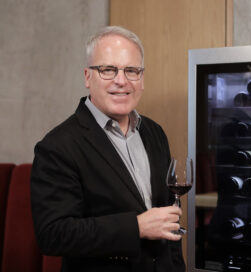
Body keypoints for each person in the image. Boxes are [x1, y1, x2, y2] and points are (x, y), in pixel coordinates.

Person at [30, 26, 185, 272]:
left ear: (142, 78)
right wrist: (136, 227)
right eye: (108, 70)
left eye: (131, 70)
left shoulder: (154, 132)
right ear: (87, 77)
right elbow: (53, 234)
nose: (121, 80)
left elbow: (169, 219)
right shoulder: (57, 146)